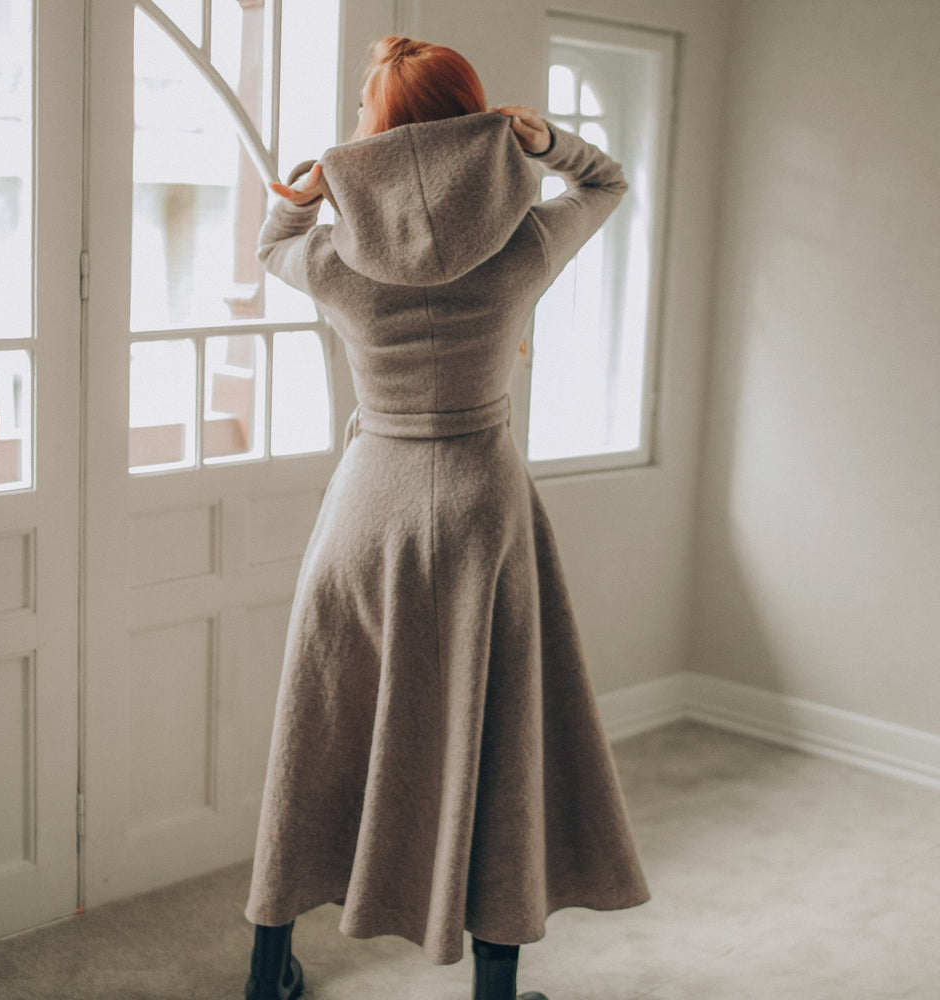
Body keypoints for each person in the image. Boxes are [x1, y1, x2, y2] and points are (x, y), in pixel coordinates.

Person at [244, 35, 649, 1000]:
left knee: (319, 735)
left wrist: (302, 196)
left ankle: (266, 974)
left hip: (366, 513)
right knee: (502, 741)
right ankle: (495, 991)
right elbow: (607, 182)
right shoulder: (523, 245)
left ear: (381, 135)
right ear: (474, 123)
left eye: (363, 113)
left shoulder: (335, 257)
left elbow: (270, 247)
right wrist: (544, 144)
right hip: (481, 514)